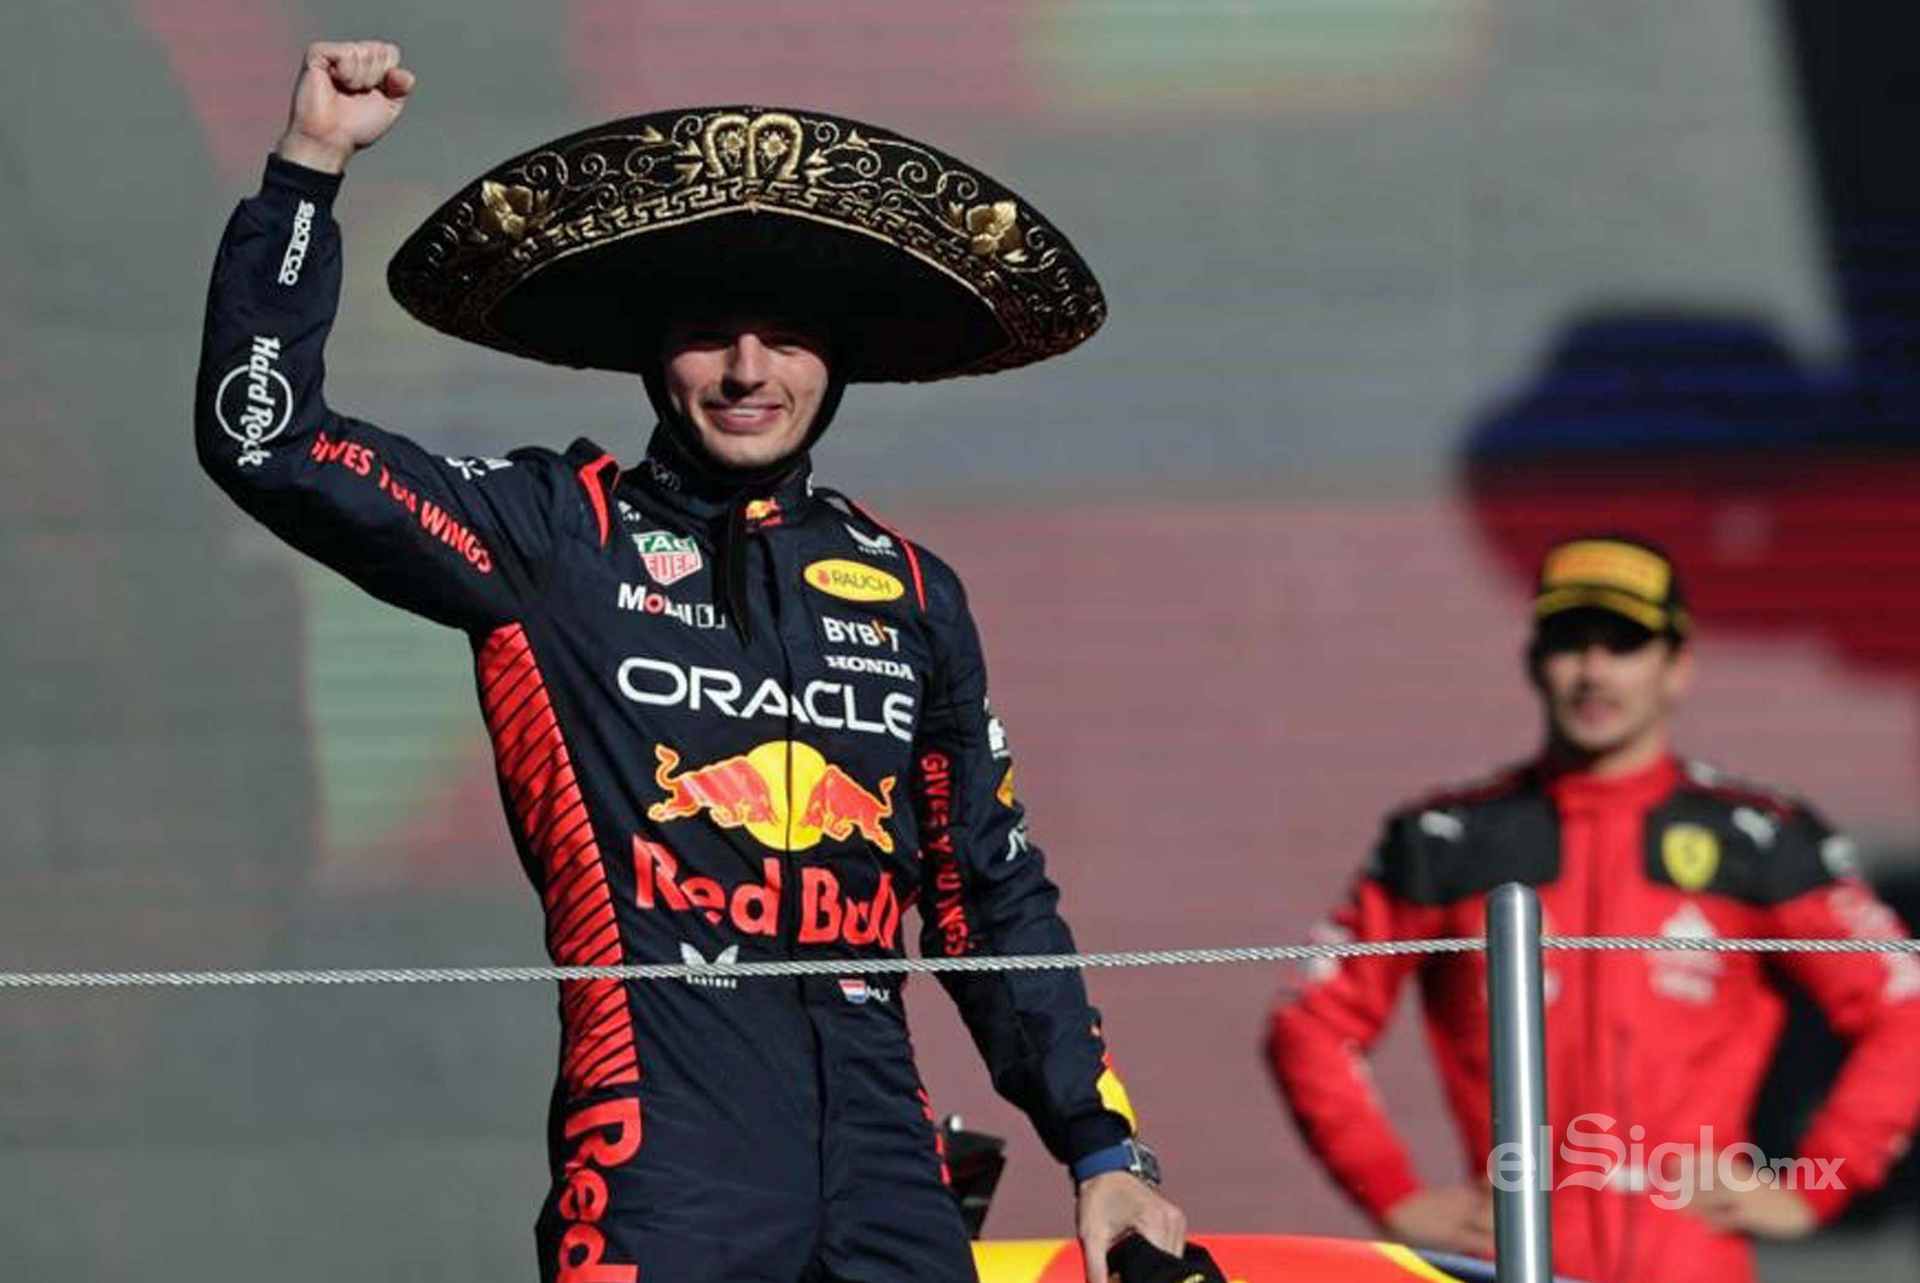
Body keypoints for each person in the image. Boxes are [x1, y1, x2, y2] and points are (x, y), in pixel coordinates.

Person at [197, 40, 1186, 1283]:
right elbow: (267, 440)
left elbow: (988, 892)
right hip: (662, 1164)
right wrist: (309, 168)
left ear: (841, 359)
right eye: (711, 335)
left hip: (887, 1170)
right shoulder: (556, 534)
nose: (748, 370)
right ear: (652, 354)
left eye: (788, 337)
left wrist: (1104, 1149)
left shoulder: (913, 589)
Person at [1266, 534, 1920, 1283]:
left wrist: (1819, 1182)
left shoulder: (1758, 840)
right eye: (1570, 641)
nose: (1594, 671)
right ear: (1534, 661)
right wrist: (1392, 1193)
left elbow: (1904, 1007)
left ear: (1677, 666)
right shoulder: (1449, 840)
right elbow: (1310, 1023)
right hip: (1510, 1261)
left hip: (1691, 1265)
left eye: (1625, 643)